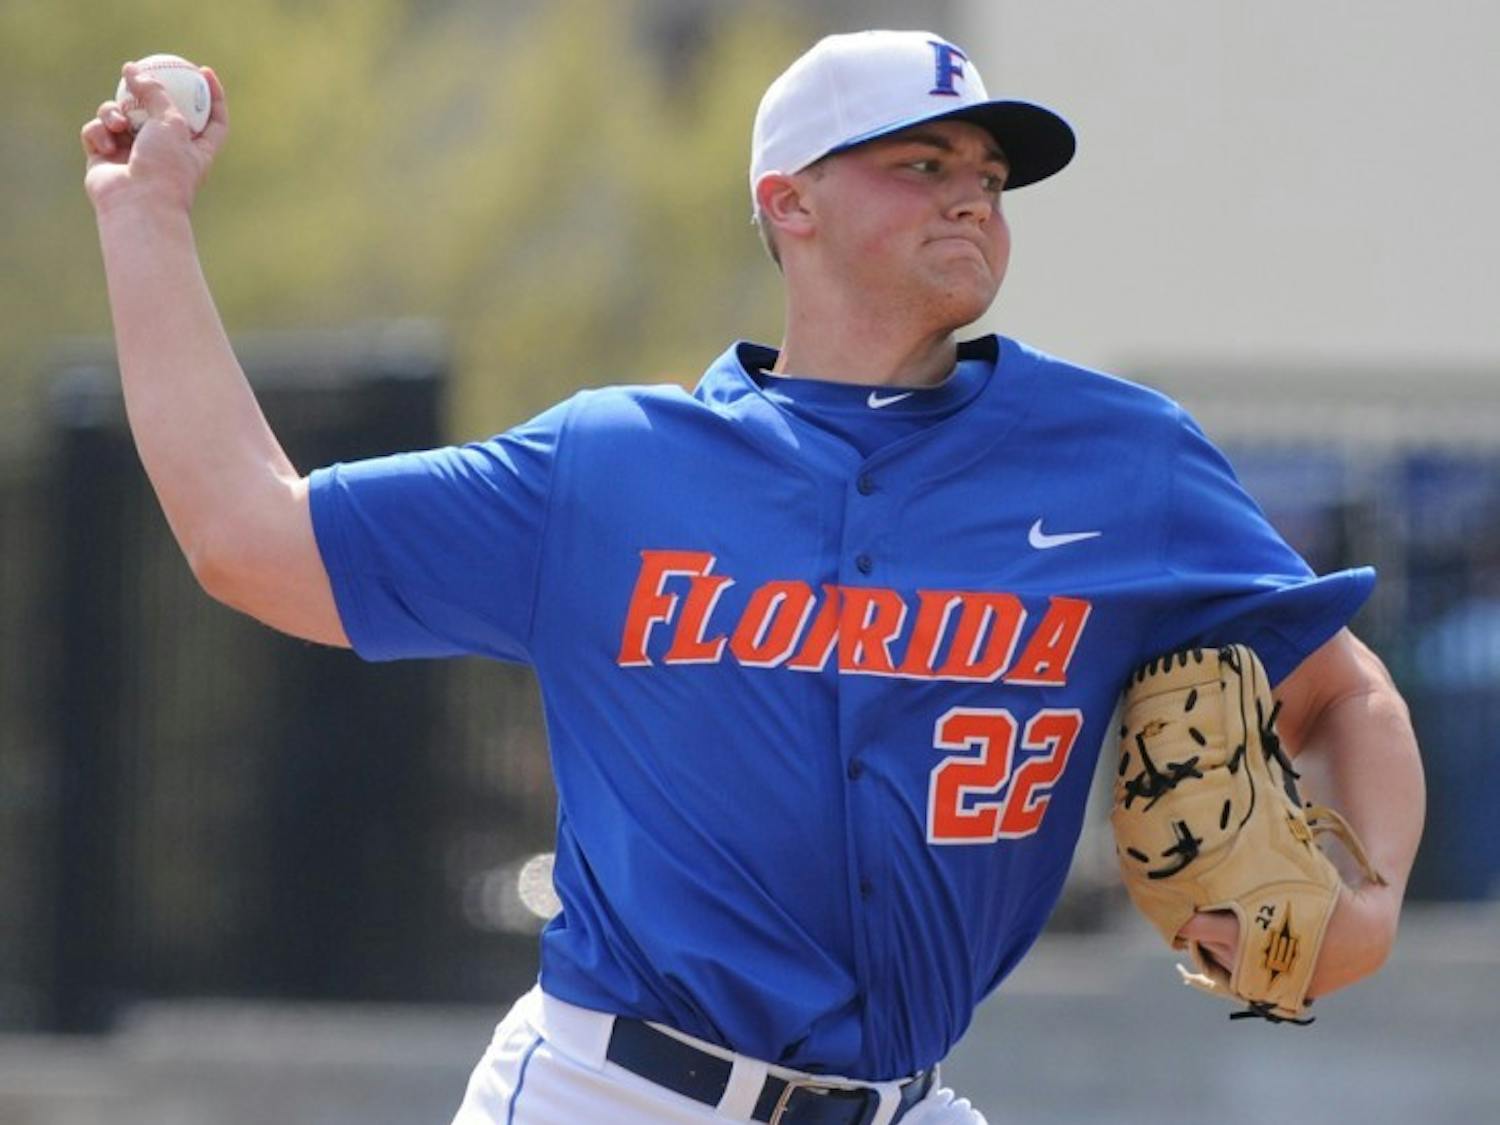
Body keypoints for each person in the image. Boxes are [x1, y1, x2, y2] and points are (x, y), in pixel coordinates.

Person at [82, 28, 1423, 1125]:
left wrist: (1363, 911)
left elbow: (1343, 690)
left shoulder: (1122, 461)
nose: (970, 188)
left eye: (989, 170)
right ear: (789, 202)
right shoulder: (611, 469)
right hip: (616, 1095)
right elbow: (246, 537)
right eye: (920, 158)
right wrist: (148, 220)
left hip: (903, 1103)